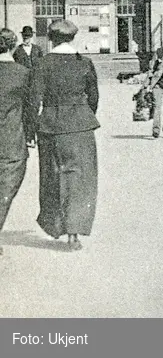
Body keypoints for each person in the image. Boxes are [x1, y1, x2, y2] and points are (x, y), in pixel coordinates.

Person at [30, 20, 100, 252]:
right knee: (80, 180)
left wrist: (31, 129)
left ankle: (56, 226)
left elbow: (34, 100)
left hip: (50, 127)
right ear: (73, 38)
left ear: (51, 38)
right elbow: (94, 97)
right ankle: (74, 232)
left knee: (52, 176)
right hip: (80, 127)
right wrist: (82, 116)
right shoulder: (85, 63)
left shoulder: (41, 63)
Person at [0, 28, 37, 256]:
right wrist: (30, 135)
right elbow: (31, 108)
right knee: (6, 188)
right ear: (14, 46)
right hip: (11, 141)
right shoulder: (23, 73)